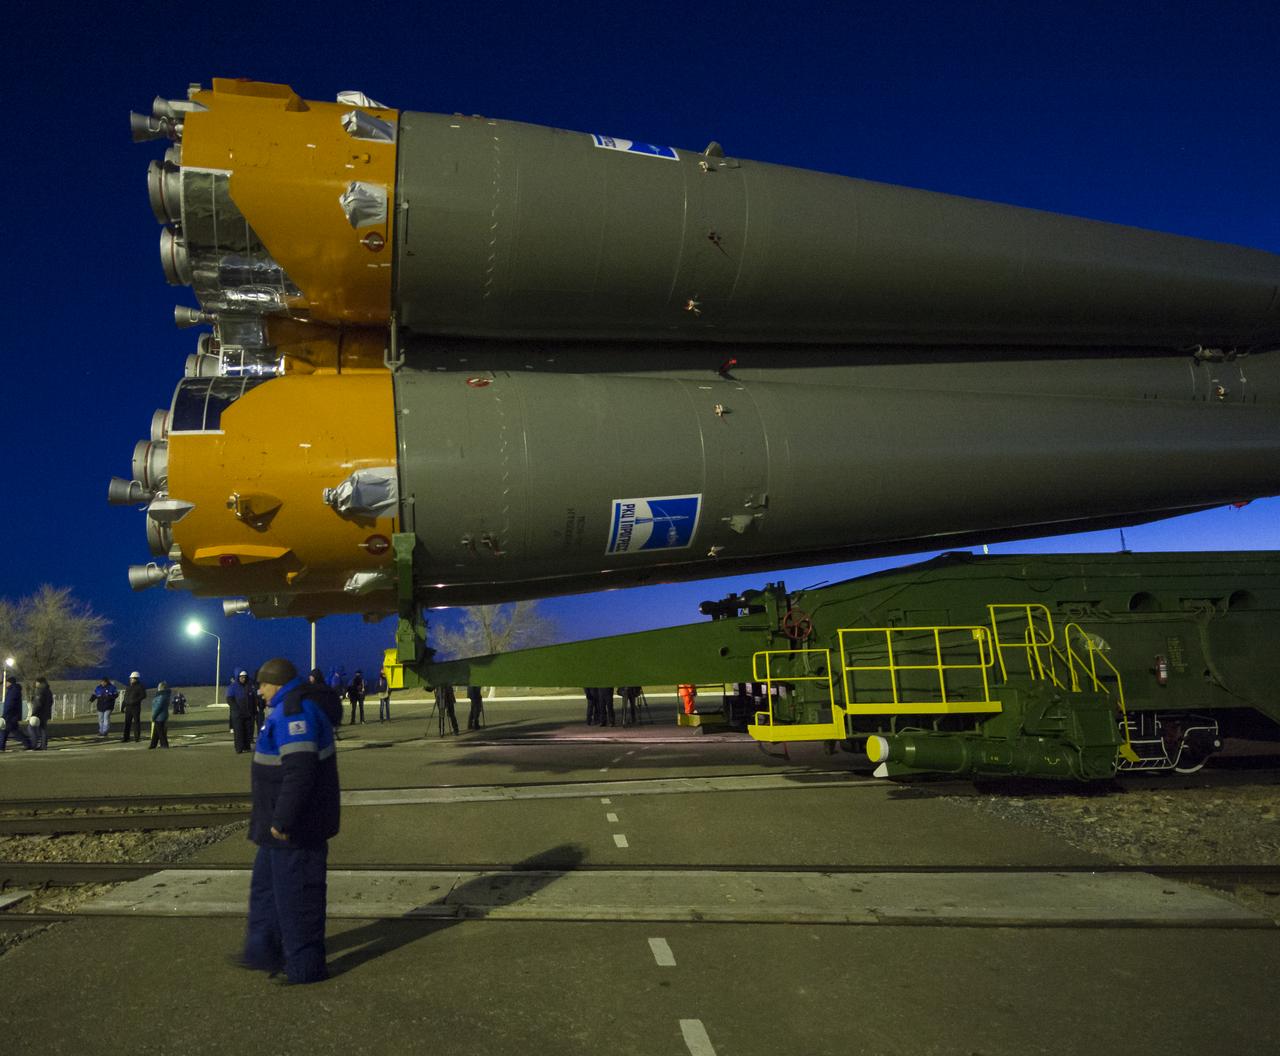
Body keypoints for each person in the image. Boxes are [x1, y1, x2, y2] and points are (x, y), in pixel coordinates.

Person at [238, 657, 341, 985]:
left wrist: (282, 821)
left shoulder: (295, 713)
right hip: (274, 829)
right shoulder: (283, 709)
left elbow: (300, 772)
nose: (259, 691)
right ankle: (263, 952)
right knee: (267, 894)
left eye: (263, 685)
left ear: (277, 684)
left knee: (298, 899)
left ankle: (305, 968)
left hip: (294, 830)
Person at [0, 674, 32, 751]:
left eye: (7, 682)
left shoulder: (12, 691)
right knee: (11, 731)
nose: (6, 684)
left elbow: (9, 704)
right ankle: (27, 743)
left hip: (10, 715)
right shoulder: (14, 690)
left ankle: (1, 746)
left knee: (6, 731)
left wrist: (4, 715)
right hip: (13, 715)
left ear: (10, 682)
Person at [227, 670, 257, 754]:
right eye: (241, 677)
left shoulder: (249, 686)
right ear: (238, 677)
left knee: (248, 731)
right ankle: (239, 748)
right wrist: (236, 710)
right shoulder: (232, 687)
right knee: (239, 732)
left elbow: (253, 700)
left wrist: (254, 710)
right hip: (238, 715)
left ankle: (247, 746)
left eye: (244, 677)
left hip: (248, 713)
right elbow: (230, 700)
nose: (243, 679)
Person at [121, 672, 147, 743]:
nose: (130, 679)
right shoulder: (128, 687)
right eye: (130, 678)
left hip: (136, 707)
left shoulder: (140, 686)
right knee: (127, 723)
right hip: (128, 707)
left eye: (131, 678)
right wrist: (122, 707)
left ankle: (137, 737)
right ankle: (126, 738)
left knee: (136, 722)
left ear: (135, 679)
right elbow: (125, 698)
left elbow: (143, 695)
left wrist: (135, 701)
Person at [29, 677, 53, 750]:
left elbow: (38, 703)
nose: (35, 684)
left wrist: (34, 713)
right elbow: (51, 702)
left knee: (31, 728)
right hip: (46, 713)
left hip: (39, 713)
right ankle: (43, 745)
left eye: (37, 682)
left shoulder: (40, 691)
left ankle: (33, 744)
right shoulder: (48, 691)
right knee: (43, 729)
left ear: (40, 683)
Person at [149, 682, 172, 749]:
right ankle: (153, 745)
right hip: (161, 715)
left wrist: (153, 716)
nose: (158, 687)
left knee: (160, 732)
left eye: (159, 686)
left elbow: (158, 707)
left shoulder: (161, 696)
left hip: (159, 716)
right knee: (156, 732)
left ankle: (164, 745)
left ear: (161, 687)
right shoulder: (164, 695)